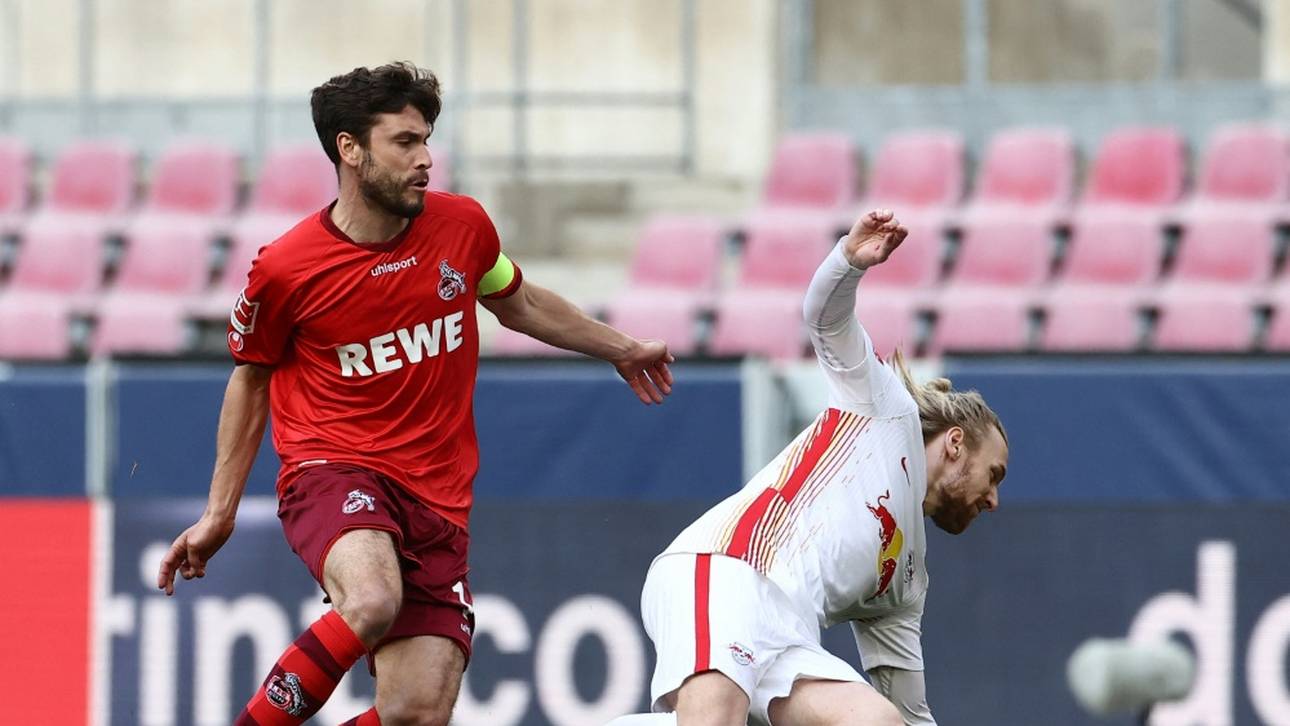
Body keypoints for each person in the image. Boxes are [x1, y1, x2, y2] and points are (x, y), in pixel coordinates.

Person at [155, 62, 674, 726]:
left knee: (416, 711)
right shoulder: (286, 269)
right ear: (350, 149)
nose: (425, 158)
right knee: (372, 600)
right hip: (333, 468)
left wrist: (621, 347)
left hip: (438, 498)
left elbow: (518, 303)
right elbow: (251, 377)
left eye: (426, 139)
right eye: (404, 142)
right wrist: (219, 513)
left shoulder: (463, 227)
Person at [607, 208, 1009, 726]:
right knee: (716, 717)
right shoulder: (886, 412)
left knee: (877, 722)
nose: (994, 500)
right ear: (955, 444)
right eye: (993, 474)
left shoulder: (906, 579)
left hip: (788, 635)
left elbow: (910, 712)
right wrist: (848, 262)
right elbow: (826, 320)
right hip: (728, 569)